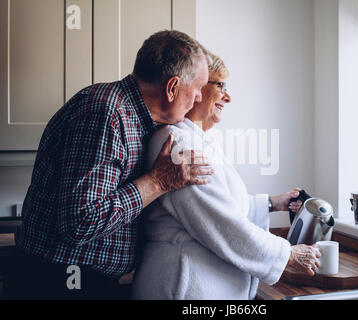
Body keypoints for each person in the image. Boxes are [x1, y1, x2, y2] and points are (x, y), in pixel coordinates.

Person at [5, 30, 214, 300]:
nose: (199, 98)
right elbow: (79, 222)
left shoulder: (133, 116)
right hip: (59, 283)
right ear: (172, 87)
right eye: (197, 89)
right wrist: (158, 182)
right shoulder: (107, 115)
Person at [132, 52, 321, 300]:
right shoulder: (177, 143)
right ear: (195, 87)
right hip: (181, 287)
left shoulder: (200, 141)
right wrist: (288, 254)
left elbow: (224, 205)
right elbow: (220, 223)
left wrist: (270, 203)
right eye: (219, 85)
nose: (227, 97)